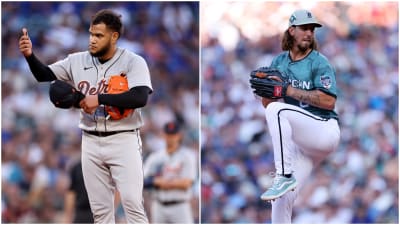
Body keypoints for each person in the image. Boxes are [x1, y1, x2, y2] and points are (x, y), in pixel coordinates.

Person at [19, 9, 151, 223]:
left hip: (124, 138)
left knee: (133, 206)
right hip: (90, 139)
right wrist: (30, 56)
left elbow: (140, 97)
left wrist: (99, 98)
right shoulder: (77, 60)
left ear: (114, 36)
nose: (92, 39)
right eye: (91, 34)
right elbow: (44, 75)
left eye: (99, 35)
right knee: (100, 213)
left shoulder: (133, 62)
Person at [253, 9, 340, 223]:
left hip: (323, 130)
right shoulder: (279, 62)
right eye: (304, 28)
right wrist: (265, 93)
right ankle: (285, 180)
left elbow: (329, 101)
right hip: (303, 145)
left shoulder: (319, 62)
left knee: (277, 111)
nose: (309, 33)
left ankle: (283, 175)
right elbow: (269, 104)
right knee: (281, 198)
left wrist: (289, 91)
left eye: (312, 29)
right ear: (292, 31)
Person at [143, 121, 197, 223]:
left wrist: (160, 182)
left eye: (173, 135)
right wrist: (166, 182)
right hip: (159, 205)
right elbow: (144, 181)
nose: (171, 138)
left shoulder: (188, 156)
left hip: (180, 206)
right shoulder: (155, 157)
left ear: (179, 136)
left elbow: (187, 183)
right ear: (163, 135)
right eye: (168, 135)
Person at [63, 159, 93, 223]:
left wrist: (68, 218)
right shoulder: (104, 167)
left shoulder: (76, 167)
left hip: (81, 215)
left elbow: (70, 195)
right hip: (96, 214)